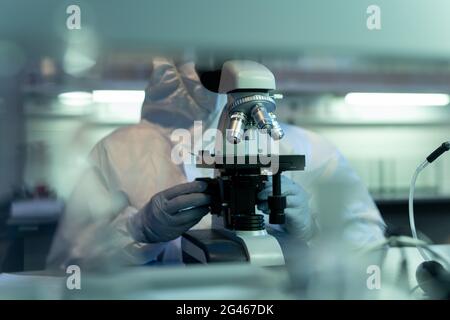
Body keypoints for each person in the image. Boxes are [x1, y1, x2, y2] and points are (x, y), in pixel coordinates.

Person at [47, 57, 386, 269]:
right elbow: (69, 268)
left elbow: (371, 249)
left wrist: (313, 231)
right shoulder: (117, 151)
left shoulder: (313, 149)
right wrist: (137, 232)